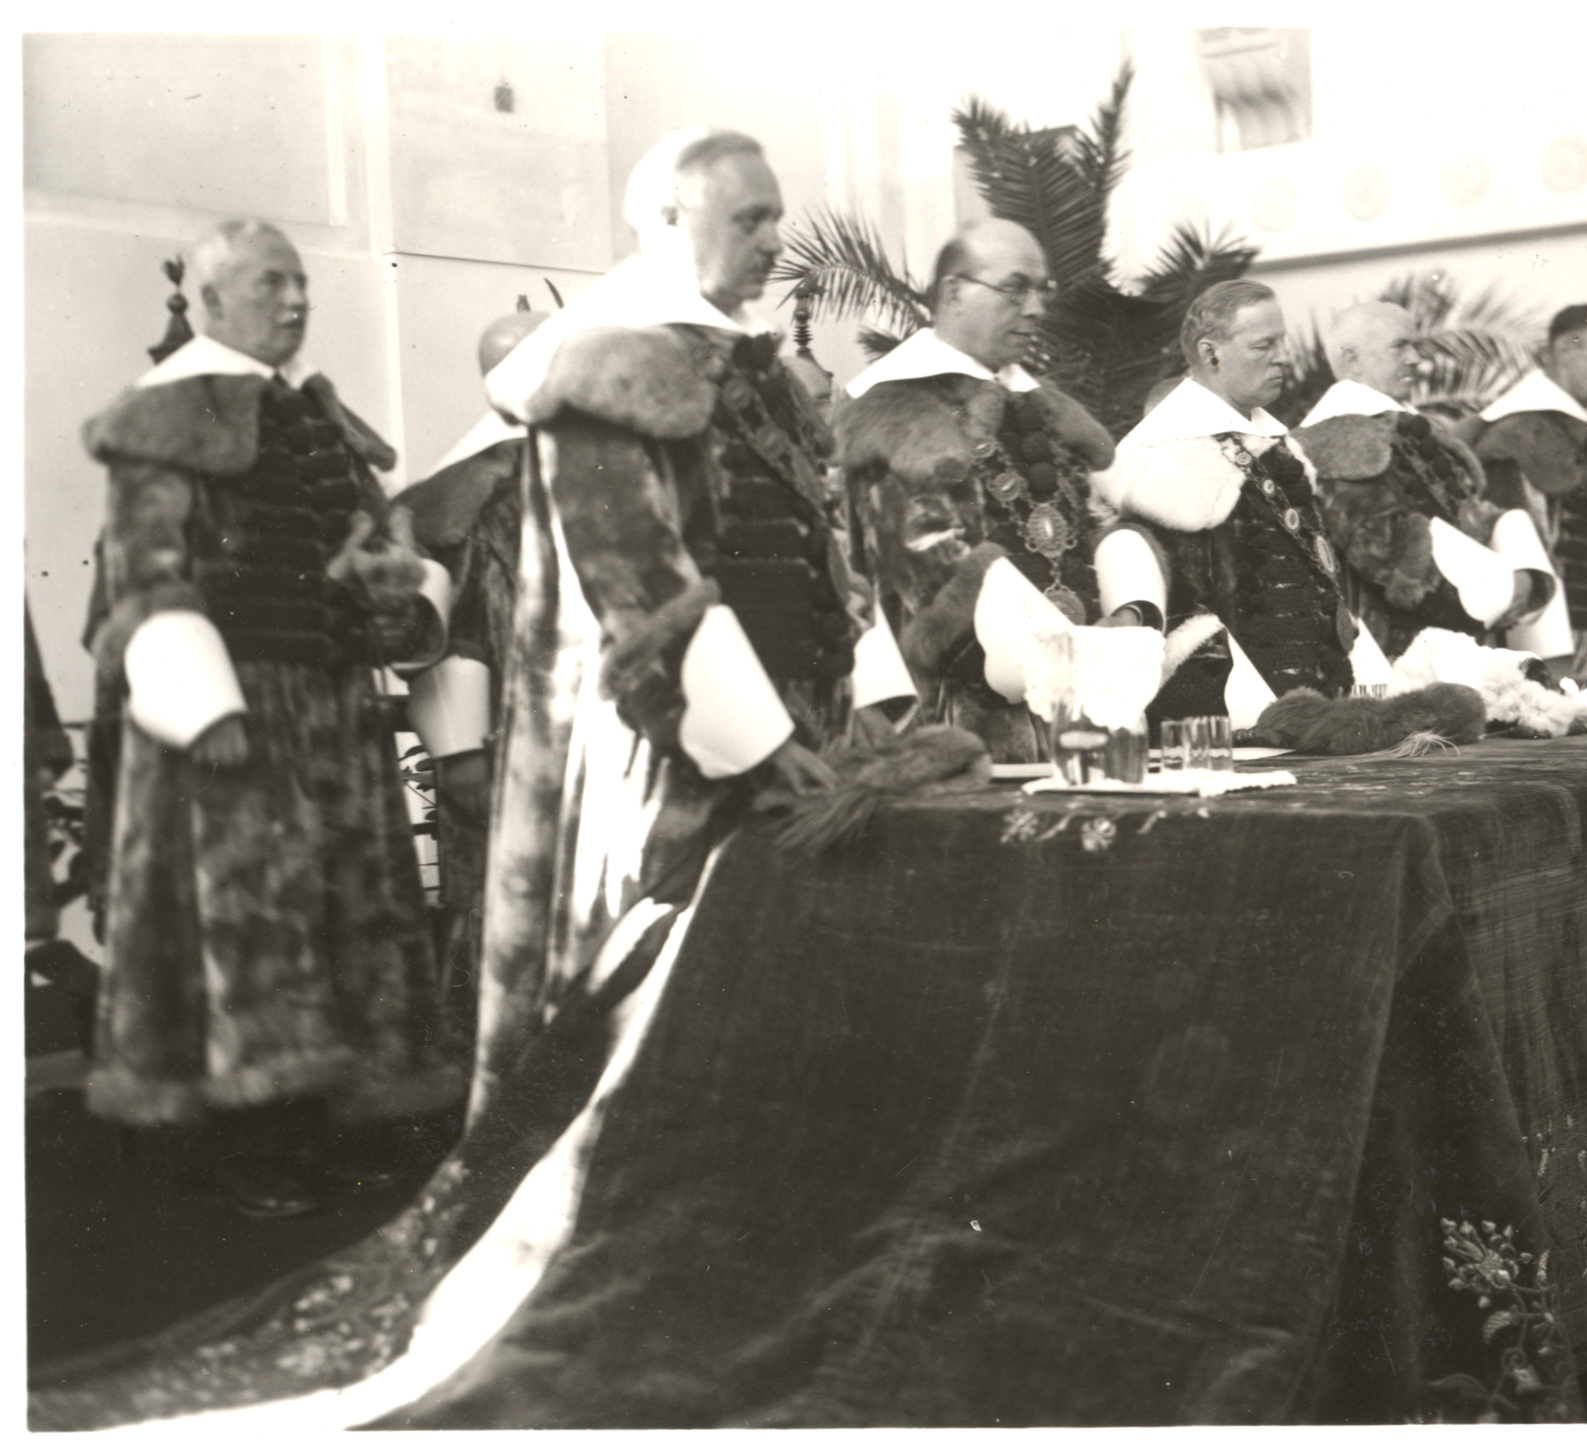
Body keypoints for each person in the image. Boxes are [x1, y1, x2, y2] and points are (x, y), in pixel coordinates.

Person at [469, 127, 922, 1122]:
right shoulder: (604, 367)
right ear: (669, 220)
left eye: (776, 218)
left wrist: (870, 699)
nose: (773, 242)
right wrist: (759, 743)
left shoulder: (752, 370)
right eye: (748, 218)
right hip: (670, 757)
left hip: (798, 735)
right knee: (654, 1036)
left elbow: (822, 549)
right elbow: (634, 577)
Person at [79, 218, 463, 1218]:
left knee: (347, 916)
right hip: (229, 713)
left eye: (300, 283)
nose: (295, 301)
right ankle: (248, 1141)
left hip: (335, 707)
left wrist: (392, 586)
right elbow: (144, 576)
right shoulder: (164, 417)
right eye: (268, 285)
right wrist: (204, 709)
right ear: (211, 302)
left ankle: (340, 1118)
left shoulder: (318, 416)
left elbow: (382, 540)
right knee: (246, 925)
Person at [1092, 280, 1483, 750]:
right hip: (1239, 723)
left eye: (1283, 342)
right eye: (1264, 345)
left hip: (1317, 710)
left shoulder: (1270, 442)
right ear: (1211, 353)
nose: (1283, 357)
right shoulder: (1161, 458)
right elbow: (1183, 619)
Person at [832, 218, 1121, 761]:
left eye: (1043, 291)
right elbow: (928, 585)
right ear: (953, 293)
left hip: (1088, 708)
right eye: (1015, 289)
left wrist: (1124, 620)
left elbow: (1092, 529)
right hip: (968, 725)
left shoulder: (1043, 406)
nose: (1036, 308)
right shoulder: (895, 414)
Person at [395, 308, 548, 1051]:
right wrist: (459, 755)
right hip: (498, 749)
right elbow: (441, 634)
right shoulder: (464, 494)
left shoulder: (583, 471)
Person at [1292, 300, 1553, 659]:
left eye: (1415, 346)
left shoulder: (1399, 424)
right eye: (1399, 346)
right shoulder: (1338, 434)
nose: (1417, 359)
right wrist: (1508, 591)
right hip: (1399, 651)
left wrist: (1524, 570)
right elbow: (1388, 552)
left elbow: (1465, 512)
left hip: (1458, 631)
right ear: (1352, 359)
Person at [1463, 303, 1587, 682]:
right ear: (1565, 349)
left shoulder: (1584, 432)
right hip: (1556, 668)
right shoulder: (1517, 435)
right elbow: (1520, 569)